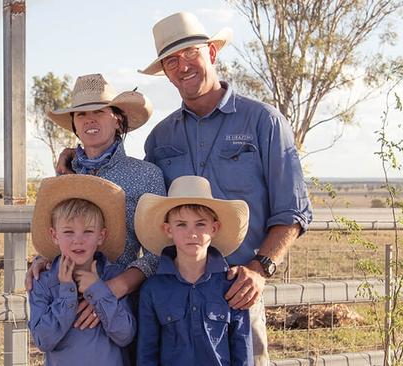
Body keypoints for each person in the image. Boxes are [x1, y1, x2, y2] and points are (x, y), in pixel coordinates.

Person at [138, 12, 314, 365]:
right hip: (173, 299)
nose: (183, 66)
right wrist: (78, 162)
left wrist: (260, 268)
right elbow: (139, 198)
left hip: (238, 294)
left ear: (212, 54)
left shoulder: (263, 122)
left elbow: (293, 211)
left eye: (191, 54)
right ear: (166, 72)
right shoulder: (160, 138)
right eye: (171, 61)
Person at [27, 74, 166, 330]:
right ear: (74, 126)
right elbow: (60, 233)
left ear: (117, 119)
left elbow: (159, 252)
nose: (89, 119)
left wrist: (113, 288)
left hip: (124, 305)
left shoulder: (147, 175)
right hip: (67, 302)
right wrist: (42, 258)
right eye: (80, 115)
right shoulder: (65, 176)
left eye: (99, 111)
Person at [134, 175, 253, 366]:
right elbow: (147, 351)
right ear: (168, 229)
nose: (192, 233)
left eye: (200, 224)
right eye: (181, 224)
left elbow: (242, 348)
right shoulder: (153, 289)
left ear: (214, 228)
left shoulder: (230, 284)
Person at [28, 174, 136, 366]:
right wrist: (67, 293)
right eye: (68, 232)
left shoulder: (115, 276)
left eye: (88, 231)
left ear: (101, 236)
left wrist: (98, 291)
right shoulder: (43, 282)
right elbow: (43, 340)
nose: (78, 240)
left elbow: (125, 335)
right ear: (54, 235)